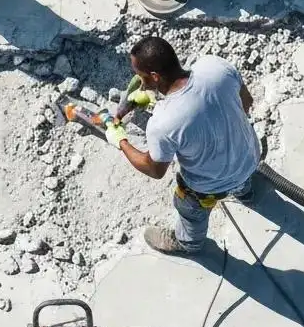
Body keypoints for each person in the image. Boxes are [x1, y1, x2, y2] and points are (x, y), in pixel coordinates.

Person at [106, 35, 268, 255]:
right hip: (249, 157)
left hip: (208, 187)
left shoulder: (162, 123)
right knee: (240, 177)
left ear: (155, 76)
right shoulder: (214, 67)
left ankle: (187, 243)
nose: (140, 82)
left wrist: (120, 141)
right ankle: (244, 192)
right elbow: (246, 102)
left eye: (141, 76)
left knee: (189, 208)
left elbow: (154, 170)